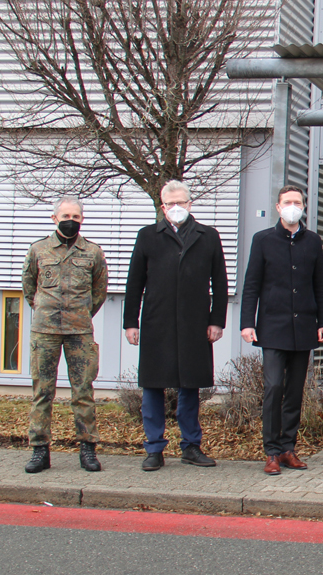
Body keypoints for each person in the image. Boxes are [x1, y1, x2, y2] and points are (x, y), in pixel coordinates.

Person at [124, 180, 229, 472]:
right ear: (162, 206)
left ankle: (191, 446)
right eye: (170, 203)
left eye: (181, 202)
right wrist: (130, 322)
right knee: (153, 387)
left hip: (195, 323)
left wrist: (216, 320)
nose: (176, 208)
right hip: (157, 322)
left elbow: (220, 283)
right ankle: (154, 448)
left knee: (190, 387)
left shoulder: (208, 236)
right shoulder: (147, 236)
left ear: (190, 204)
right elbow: (135, 282)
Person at [240, 185, 323, 476]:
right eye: (287, 202)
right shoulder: (263, 240)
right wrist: (247, 322)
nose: (293, 206)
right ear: (278, 207)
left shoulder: (313, 241)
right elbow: (252, 283)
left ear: (303, 207)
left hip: (303, 326)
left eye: (298, 202)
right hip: (273, 327)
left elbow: (320, 286)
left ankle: (288, 448)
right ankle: (271, 453)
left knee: (294, 391)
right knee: (274, 386)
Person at [21, 197, 109, 474]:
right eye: (65, 215)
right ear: (54, 218)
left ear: (82, 220)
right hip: (44, 331)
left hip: (79, 331)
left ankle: (87, 449)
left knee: (83, 392)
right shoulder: (38, 249)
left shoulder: (93, 253)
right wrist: (45, 311)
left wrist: (80, 313)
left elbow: (99, 292)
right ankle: (39, 451)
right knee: (42, 392)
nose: (71, 219)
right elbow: (28, 288)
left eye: (76, 216)